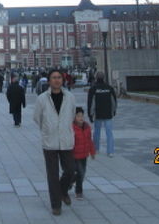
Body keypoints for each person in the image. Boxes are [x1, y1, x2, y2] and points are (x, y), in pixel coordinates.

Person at [33, 69, 77, 217]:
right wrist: (47, 128)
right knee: (52, 174)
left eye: (59, 77)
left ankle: (63, 190)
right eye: (54, 78)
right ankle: (56, 204)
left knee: (70, 170)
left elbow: (72, 115)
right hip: (50, 140)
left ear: (62, 80)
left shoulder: (70, 97)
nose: (57, 80)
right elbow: (37, 117)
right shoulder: (42, 99)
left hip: (66, 139)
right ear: (49, 81)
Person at [87, 71, 117, 157]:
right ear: (104, 77)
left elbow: (90, 103)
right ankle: (110, 151)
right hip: (108, 114)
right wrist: (114, 111)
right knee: (109, 133)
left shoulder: (93, 88)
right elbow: (114, 101)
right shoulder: (109, 88)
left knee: (96, 132)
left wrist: (90, 114)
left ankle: (96, 149)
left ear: (96, 77)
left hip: (98, 114)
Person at [71, 107, 95, 200]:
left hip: (84, 155)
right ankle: (79, 191)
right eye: (78, 116)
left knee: (82, 172)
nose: (80, 118)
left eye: (82, 116)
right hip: (75, 155)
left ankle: (69, 182)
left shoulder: (87, 127)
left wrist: (92, 152)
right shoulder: (72, 128)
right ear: (74, 117)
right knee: (80, 173)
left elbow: (90, 141)